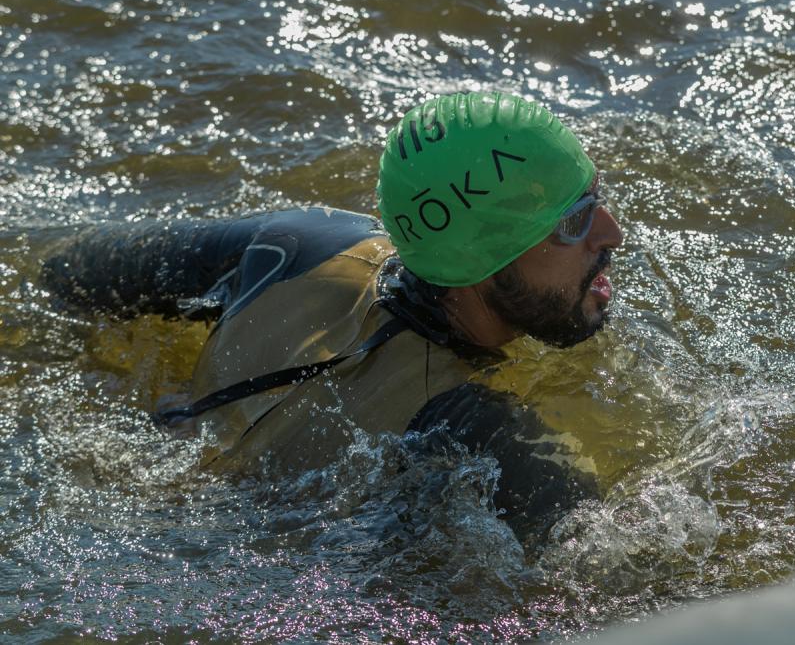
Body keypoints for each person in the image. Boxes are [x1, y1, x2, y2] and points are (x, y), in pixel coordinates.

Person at [42, 91, 624, 545]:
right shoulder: (483, 433)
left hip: (157, 472)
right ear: (478, 258)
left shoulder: (305, 246)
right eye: (572, 222)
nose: (611, 233)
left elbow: (66, 275)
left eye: (595, 196)